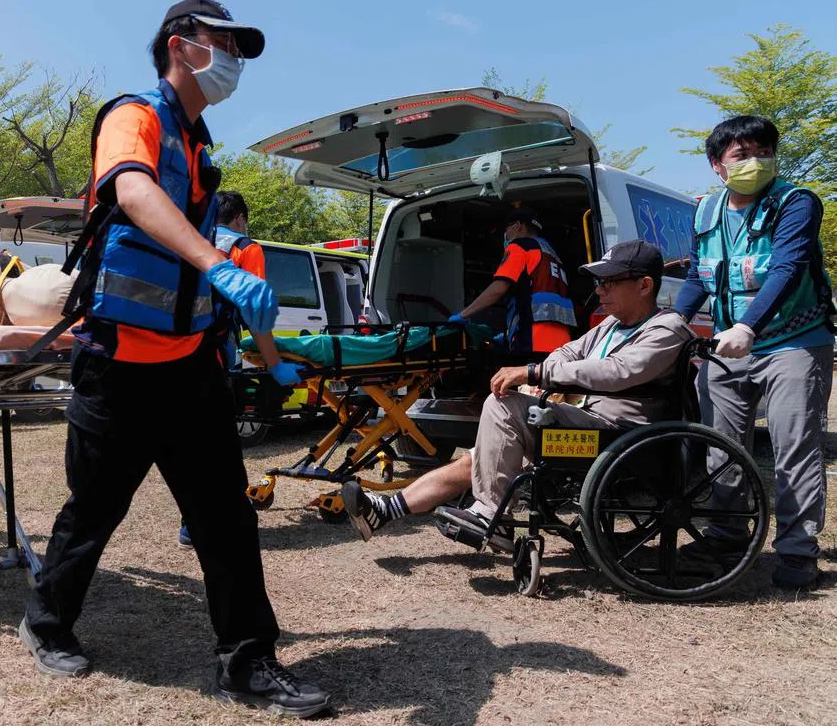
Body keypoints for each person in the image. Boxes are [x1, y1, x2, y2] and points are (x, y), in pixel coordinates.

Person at [19, 0, 330, 718]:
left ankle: (248, 662)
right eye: (225, 42)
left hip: (189, 365)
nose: (235, 60)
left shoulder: (200, 145)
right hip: (119, 364)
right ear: (180, 43)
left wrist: (260, 343)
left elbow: (198, 261)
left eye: (240, 48)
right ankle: (46, 622)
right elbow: (130, 191)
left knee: (226, 516)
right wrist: (216, 264)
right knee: (94, 511)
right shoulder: (136, 116)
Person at [343, 240, 693, 548]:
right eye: (599, 281)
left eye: (609, 282)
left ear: (644, 285)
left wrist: (537, 372)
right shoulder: (611, 324)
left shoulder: (667, 328)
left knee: (503, 403)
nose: (599, 290)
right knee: (482, 457)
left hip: (619, 434)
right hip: (591, 423)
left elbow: (617, 372)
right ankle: (386, 509)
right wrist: (548, 375)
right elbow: (568, 353)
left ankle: (490, 514)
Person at [674, 115, 834, 589]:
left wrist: (748, 325)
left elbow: (786, 269)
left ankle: (798, 551)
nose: (756, 163)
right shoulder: (704, 211)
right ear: (717, 166)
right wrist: (672, 321)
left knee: (794, 446)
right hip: (730, 348)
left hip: (794, 343)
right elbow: (698, 277)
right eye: (742, 155)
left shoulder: (796, 202)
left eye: (763, 152)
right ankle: (725, 536)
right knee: (721, 447)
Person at [177, 190, 300, 549]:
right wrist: (274, 363)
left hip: (176, 347)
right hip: (214, 348)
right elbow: (254, 309)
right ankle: (205, 524)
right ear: (240, 217)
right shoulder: (246, 248)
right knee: (217, 437)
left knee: (190, 437)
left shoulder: (189, 238)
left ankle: (195, 522)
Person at [448, 206, 576, 355]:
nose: (506, 234)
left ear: (518, 226)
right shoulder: (552, 254)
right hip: (562, 342)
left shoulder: (521, 246)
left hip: (532, 340)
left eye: (507, 228)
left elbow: (498, 289)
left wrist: (464, 314)